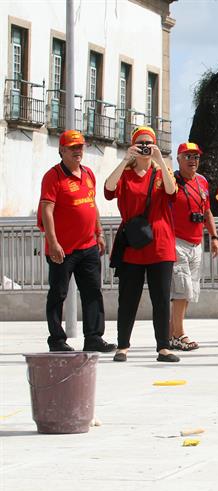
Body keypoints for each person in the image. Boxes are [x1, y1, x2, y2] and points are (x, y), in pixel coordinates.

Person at [104, 126, 179, 363]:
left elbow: (171, 192)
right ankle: (123, 345)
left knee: (161, 298)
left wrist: (159, 159)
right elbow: (108, 189)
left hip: (160, 244)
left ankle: (163, 347)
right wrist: (126, 159)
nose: (145, 147)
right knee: (127, 298)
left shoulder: (161, 172)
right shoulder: (125, 174)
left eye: (149, 143)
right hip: (132, 246)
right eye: (141, 143)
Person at [37, 130, 115, 353]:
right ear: (62, 150)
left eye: (80, 147)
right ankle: (57, 340)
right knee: (58, 294)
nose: (78, 151)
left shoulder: (89, 173)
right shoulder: (53, 176)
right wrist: (53, 242)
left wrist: (99, 233)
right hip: (62, 249)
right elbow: (47, 210)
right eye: (72, 147)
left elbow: (92, 205)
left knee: (92, 292)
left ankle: (93, 337)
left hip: (87, 246)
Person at [168, 142, 218, 351]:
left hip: (196, 242)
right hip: (176, 241)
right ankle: (179, 334)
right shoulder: (172, 181)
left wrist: (214, 237)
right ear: (178, 159)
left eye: (196, 157)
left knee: (189, 292)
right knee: (181, 290)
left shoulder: (202, 182)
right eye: (188, 156)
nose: (192, 161)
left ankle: (172, 332)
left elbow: (206, 212)